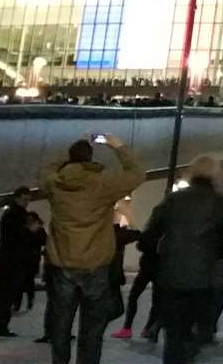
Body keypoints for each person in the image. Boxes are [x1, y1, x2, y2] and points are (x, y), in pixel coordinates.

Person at [37, 133, 145, 364]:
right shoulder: (104, 184)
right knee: (92, 329)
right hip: (96, 264)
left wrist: (65, 154)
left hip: (62, 263)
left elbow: (46, 170)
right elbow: (137, 174)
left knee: (60, 325)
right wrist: (118, 146)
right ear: (90, 158)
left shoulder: (55, 184)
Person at [140, 156, 223, 364]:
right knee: (193, 333)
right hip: (203, 280)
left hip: (171, 277)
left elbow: (148, 238)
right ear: (215, 175)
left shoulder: (172, 200)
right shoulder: (220, 204)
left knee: (173, 336)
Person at [0, 187, 35, 336]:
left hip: (9, 261)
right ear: (17, 198)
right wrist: (30, 230)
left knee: (4, 296)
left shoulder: (14, 214)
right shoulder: (15, 215)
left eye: (28, 200)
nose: (26, 203)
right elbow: (21, 235)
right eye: (24, 200)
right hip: (12, 262)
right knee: (5, 297)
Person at [113, 221, 159, 340]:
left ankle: (127, 328)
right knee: (157, 300)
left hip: (146, 268)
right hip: (161, 269)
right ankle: (149, 328)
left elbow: (141, 246)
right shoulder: (168, 233)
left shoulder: (150, 231)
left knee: (134, 296)